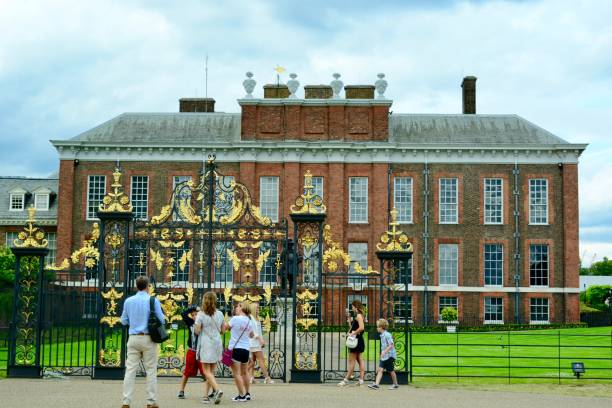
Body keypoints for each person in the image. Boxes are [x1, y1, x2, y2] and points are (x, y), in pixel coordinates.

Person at [120, 275, 166, 408]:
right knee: (151, 370)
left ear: (136, 286)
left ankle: (126, 401)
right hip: (148, 338)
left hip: (133, 338)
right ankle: (151, 402)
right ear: (148, 286)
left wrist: (134, 322)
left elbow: (123, 321)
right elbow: (161, 320)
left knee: (130, 370)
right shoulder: (153, 300)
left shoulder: (128, 301)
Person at [194, 292, 226, 404]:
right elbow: (223, 331)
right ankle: (205, 396)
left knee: (206, 371)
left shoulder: (201, 314)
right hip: (217, 342)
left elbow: (197, 331)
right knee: (211, 371)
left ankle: (217, 389)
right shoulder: (220, 314)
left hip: (206, 342)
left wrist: (199, 326)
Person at [227, 301, 255, 402]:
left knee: (236, 373)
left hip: (236, 349)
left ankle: (241, 395)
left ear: (242, 308)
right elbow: (251, 335)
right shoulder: (249, 321)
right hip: (246, 349)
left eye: (238, 306)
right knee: (245, 372)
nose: (236, 308)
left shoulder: (235, 319)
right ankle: (247, 393)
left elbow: (226, 328)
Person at [177, 305, 205, 399]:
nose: (194, 316)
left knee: (205, 373)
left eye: (196, 314)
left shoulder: (204, 323)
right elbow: (183, 314)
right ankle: (181, 391)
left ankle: (213, 389)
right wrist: (192, 308)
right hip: (192, 351)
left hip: (202, 352)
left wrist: (201, 310)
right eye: (193, 315)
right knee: (187, 372)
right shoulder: (190, 323)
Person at [338, 300, 365, 387]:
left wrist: (353, 333)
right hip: (357, 340)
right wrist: (349, 321)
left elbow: (361, 328)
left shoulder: (359, 316)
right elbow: (353, 328)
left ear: (356, 307)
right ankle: (361, 380)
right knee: (359, 359)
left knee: (351, 361)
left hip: (356, 341)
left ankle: (346, 380)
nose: (352, 308)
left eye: (352, 306)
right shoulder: (358, 316)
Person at [247, 302, 274, 384]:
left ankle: (250, 377)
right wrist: (260, 340)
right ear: (254, 309)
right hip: (254, 342)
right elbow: (253, 332)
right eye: (257, 308)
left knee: (253, 361)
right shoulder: (251, 318)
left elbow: (259, 331)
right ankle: (267, 378)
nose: (259, 309)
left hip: (256, 342)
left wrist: (261, 340)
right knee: (261, 360)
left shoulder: (256, 318)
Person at [368, 319, 399, 390]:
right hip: (385, 356)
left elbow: (391, 345)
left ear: (381, 327)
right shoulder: (382, 335)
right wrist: (383, 353)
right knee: (380, 370)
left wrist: (384, 352)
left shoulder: (387, 335)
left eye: (378, 327)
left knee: (391, 370)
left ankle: (395, 384)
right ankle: (376, 384)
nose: (377, 328)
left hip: (390, 356)